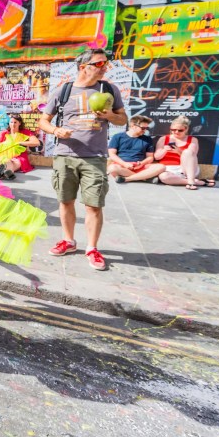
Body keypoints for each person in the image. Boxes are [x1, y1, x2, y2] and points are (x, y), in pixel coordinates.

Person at [38, 47, 127, 271]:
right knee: (65, 201)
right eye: (98, 64)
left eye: (105, 63)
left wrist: (109, 116)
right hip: (65, 155)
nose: (104, 67)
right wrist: (57, 131)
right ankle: (68, 241)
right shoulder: (64, 91)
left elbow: (122, 119)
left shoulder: (109, 89)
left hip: (95, 157)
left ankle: (92, 248)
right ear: (83, 67)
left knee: (94, 205)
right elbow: (43, 121)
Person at [154, 115, 215, 189]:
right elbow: (157, 157)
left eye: (180, 130)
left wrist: (179, 151)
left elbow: (192, 156)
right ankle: (196, 182)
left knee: (187, 152)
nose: (176, 132)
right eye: (173, 129)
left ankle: (191, 181)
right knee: (164, 177)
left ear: (186, 129)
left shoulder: (193, 140)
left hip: (187, 169)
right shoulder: (163, 139)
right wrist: (164, 150)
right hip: (168, 169)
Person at [106, 115, 163, 183]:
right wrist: (124, 164)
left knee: (161, 167)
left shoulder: (147, 139)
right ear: (133, 126)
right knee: (112, 168)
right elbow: (112, 154)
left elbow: (150, 157)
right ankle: (145, 178)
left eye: (146, 128)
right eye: (142, 128)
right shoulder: (118, 137)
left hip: (140, 166)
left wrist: (142, 163)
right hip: (122, 166)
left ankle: (127, 179)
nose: (145, 130)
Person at [0, 113, 40, 180]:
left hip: (19, 157)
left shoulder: (25, 132)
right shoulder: (5, 133)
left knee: (16, 162)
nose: (13, 124)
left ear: (19, 123)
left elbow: (36, 142)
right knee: (4, 160)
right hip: (5, 156)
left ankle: (3, 172)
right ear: (9, 123)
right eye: (11, 122)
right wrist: (3, 145)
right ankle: (8, 172)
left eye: (15, 122)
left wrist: (20, 143)